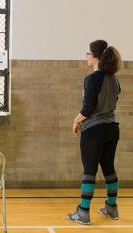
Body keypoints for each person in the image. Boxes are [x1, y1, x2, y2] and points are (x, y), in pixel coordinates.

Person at [67, 40, 122, 224]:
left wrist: (76, 121)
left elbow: (88, 108)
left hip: (94, 130)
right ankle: (112, 207)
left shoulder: (92, 78)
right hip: (112, 129)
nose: (86, 56)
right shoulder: (114, 79)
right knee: (109, 169)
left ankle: (83, 212)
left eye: (88, 53)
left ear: (96, 57)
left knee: (89, 171)